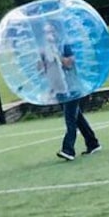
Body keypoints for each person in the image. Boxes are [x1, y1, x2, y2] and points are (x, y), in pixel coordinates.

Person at [38, 23, 101, 161]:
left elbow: (69, 63)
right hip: (59, 90)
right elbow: (42, 70)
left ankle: (68, 149)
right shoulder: (44, 50)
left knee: (70, 120)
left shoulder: (64, 46)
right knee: (78, 118)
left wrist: (57, 55)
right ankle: (93, 143)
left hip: (71, 89)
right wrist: (43, 59)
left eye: (50, 31)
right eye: (45, 32)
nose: (48, 35)